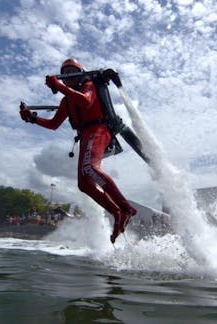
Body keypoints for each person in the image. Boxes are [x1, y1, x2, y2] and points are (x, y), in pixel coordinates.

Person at [19, 58, 137, 243]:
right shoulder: (67, 101)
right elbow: (53, 124)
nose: (68, 76)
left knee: (90, 167)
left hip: (99, 130)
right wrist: (32, 119)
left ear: (80, 73)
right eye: (64, 73)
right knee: (84, 184)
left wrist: (59, 85)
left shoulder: (88, 86)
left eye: (71, 71)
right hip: (85, 137)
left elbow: (85, 101)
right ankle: (116, 213)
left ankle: (126, 209)